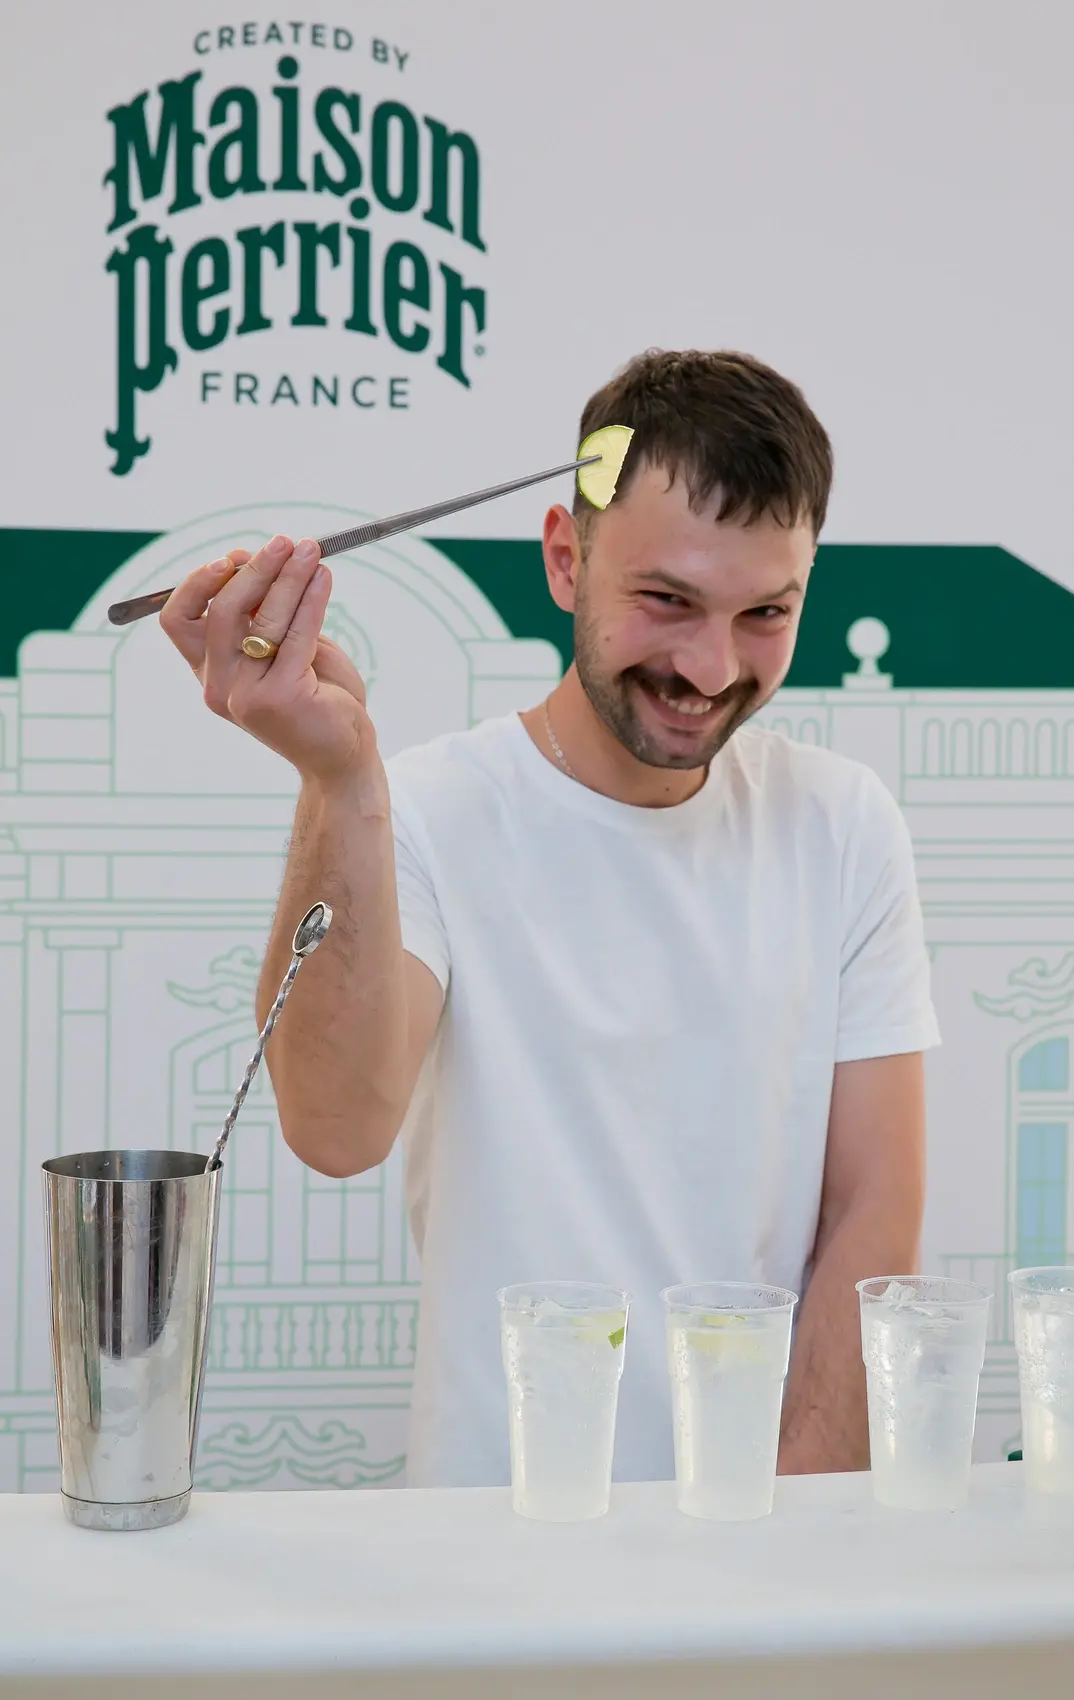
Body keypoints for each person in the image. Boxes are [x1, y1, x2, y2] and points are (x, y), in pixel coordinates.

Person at [160, 347, 939, 1488]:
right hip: (494, 1538)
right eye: (666, 601)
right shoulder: (424, 809)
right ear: (566, 559)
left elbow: (873, 1213)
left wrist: (787, 1530)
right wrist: (338, 780)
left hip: (756, 1533)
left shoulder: (841, 824)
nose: (709, 666)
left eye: (764, 613)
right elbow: (333, 1129)